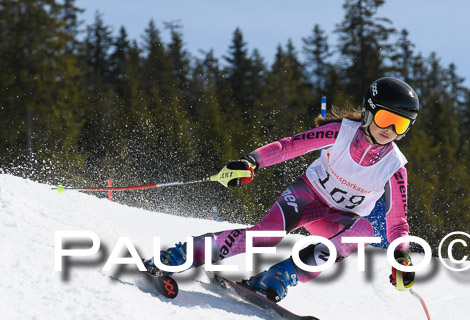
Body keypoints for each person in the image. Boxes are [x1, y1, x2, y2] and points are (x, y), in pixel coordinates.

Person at [148, 77, 418, 301]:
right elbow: (289, 146)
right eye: (385, 119)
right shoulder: (341, 132)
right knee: (266, 235)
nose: (390, 129)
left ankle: (278, 276)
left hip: (337, 219)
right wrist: (251, 161)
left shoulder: (394, 167)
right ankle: (183, 254)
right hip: (307, 197)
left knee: (362, 233)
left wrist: (401, 256)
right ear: (369, 111)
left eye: (401, 124)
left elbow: (397, 222)